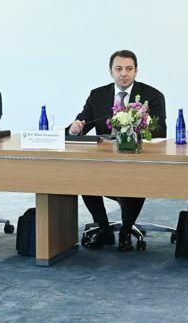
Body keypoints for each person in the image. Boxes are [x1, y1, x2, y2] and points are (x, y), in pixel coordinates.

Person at [67, 49, 167, 251]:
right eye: (119, 69)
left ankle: (126, 230)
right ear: (111, 71)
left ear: (136, 71)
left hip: (137, 161)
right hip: (105, 161)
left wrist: (140, 127)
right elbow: (82, 124)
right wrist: (74, 129)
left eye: (129, 69)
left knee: (134, 183)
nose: (124, 74)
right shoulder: (97, 95)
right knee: (83, 178)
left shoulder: (153, 95)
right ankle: (104, 229)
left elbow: (160, 132)